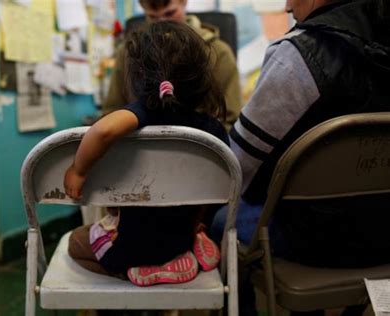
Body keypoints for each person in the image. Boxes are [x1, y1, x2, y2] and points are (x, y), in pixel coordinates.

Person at [210, 0, 390, 314]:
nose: (286, 6)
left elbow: (234, 170)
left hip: (314, 241)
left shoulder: (302, 54)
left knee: (219, 219)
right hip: (384, 236)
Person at [64, 21, 226, 286]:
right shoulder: (212, 131)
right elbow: (221, 189)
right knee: (187, 220)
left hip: (129, 246)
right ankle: (191, 248)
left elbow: (103, 131)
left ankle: (130, 271)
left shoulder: (139, 117)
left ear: (138, 77)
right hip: (180, 237)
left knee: (76, 243)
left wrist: (78, 170)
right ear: (201, 78)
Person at [103, 0, 242, 131]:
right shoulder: (129, 52)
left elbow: (230, 119)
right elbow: (111, 112)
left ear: (184, 2)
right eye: (153, 16)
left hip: (200, 148)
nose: (162, 22)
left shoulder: (218, 52)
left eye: (169, 13)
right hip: (139, 147)